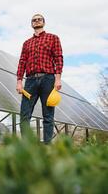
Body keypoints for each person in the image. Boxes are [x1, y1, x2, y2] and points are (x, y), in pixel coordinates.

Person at [16, 13, 63, 144]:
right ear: (32, 24)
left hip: (48, 79)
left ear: (44, 22)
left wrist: (58, 79)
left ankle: (48, 145)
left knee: (48, 115)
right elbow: (22, 62)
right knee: (25, 114)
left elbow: (58, 58)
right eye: (34, 20)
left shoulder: (53, 38)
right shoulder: (27, 43)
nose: (36, 21)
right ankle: (26, 146)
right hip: (30, 81)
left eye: (39, 19)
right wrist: (19, 81)